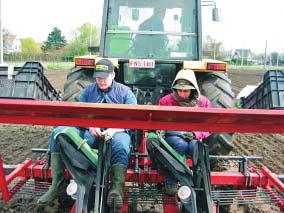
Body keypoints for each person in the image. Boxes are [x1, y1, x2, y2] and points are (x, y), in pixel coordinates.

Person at [37, 59, 137, 212]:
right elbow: (78, 114)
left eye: (104, 77)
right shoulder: (88, 90)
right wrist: (90, 124)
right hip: (92, 133)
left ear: (113, 75)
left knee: (122, 144)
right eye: (98, 77)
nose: (101, 81)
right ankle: (57, 184)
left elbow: (133, 119)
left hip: (115, 133)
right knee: (59, 132)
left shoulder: (125, 92)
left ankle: (116, 189)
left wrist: (114, 129)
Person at [158, 69, 211, 195]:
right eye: (179, 90)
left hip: (193, 136)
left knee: (196, 147)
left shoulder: (203, 103)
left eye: (185, 90)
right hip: (172, 136)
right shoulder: (165, 101)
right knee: (179, 144)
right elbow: (159, 123)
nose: (182, 93)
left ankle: (198, 182)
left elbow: (209, 126)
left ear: (193, 89)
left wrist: (195, 134)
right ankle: (170, 180)